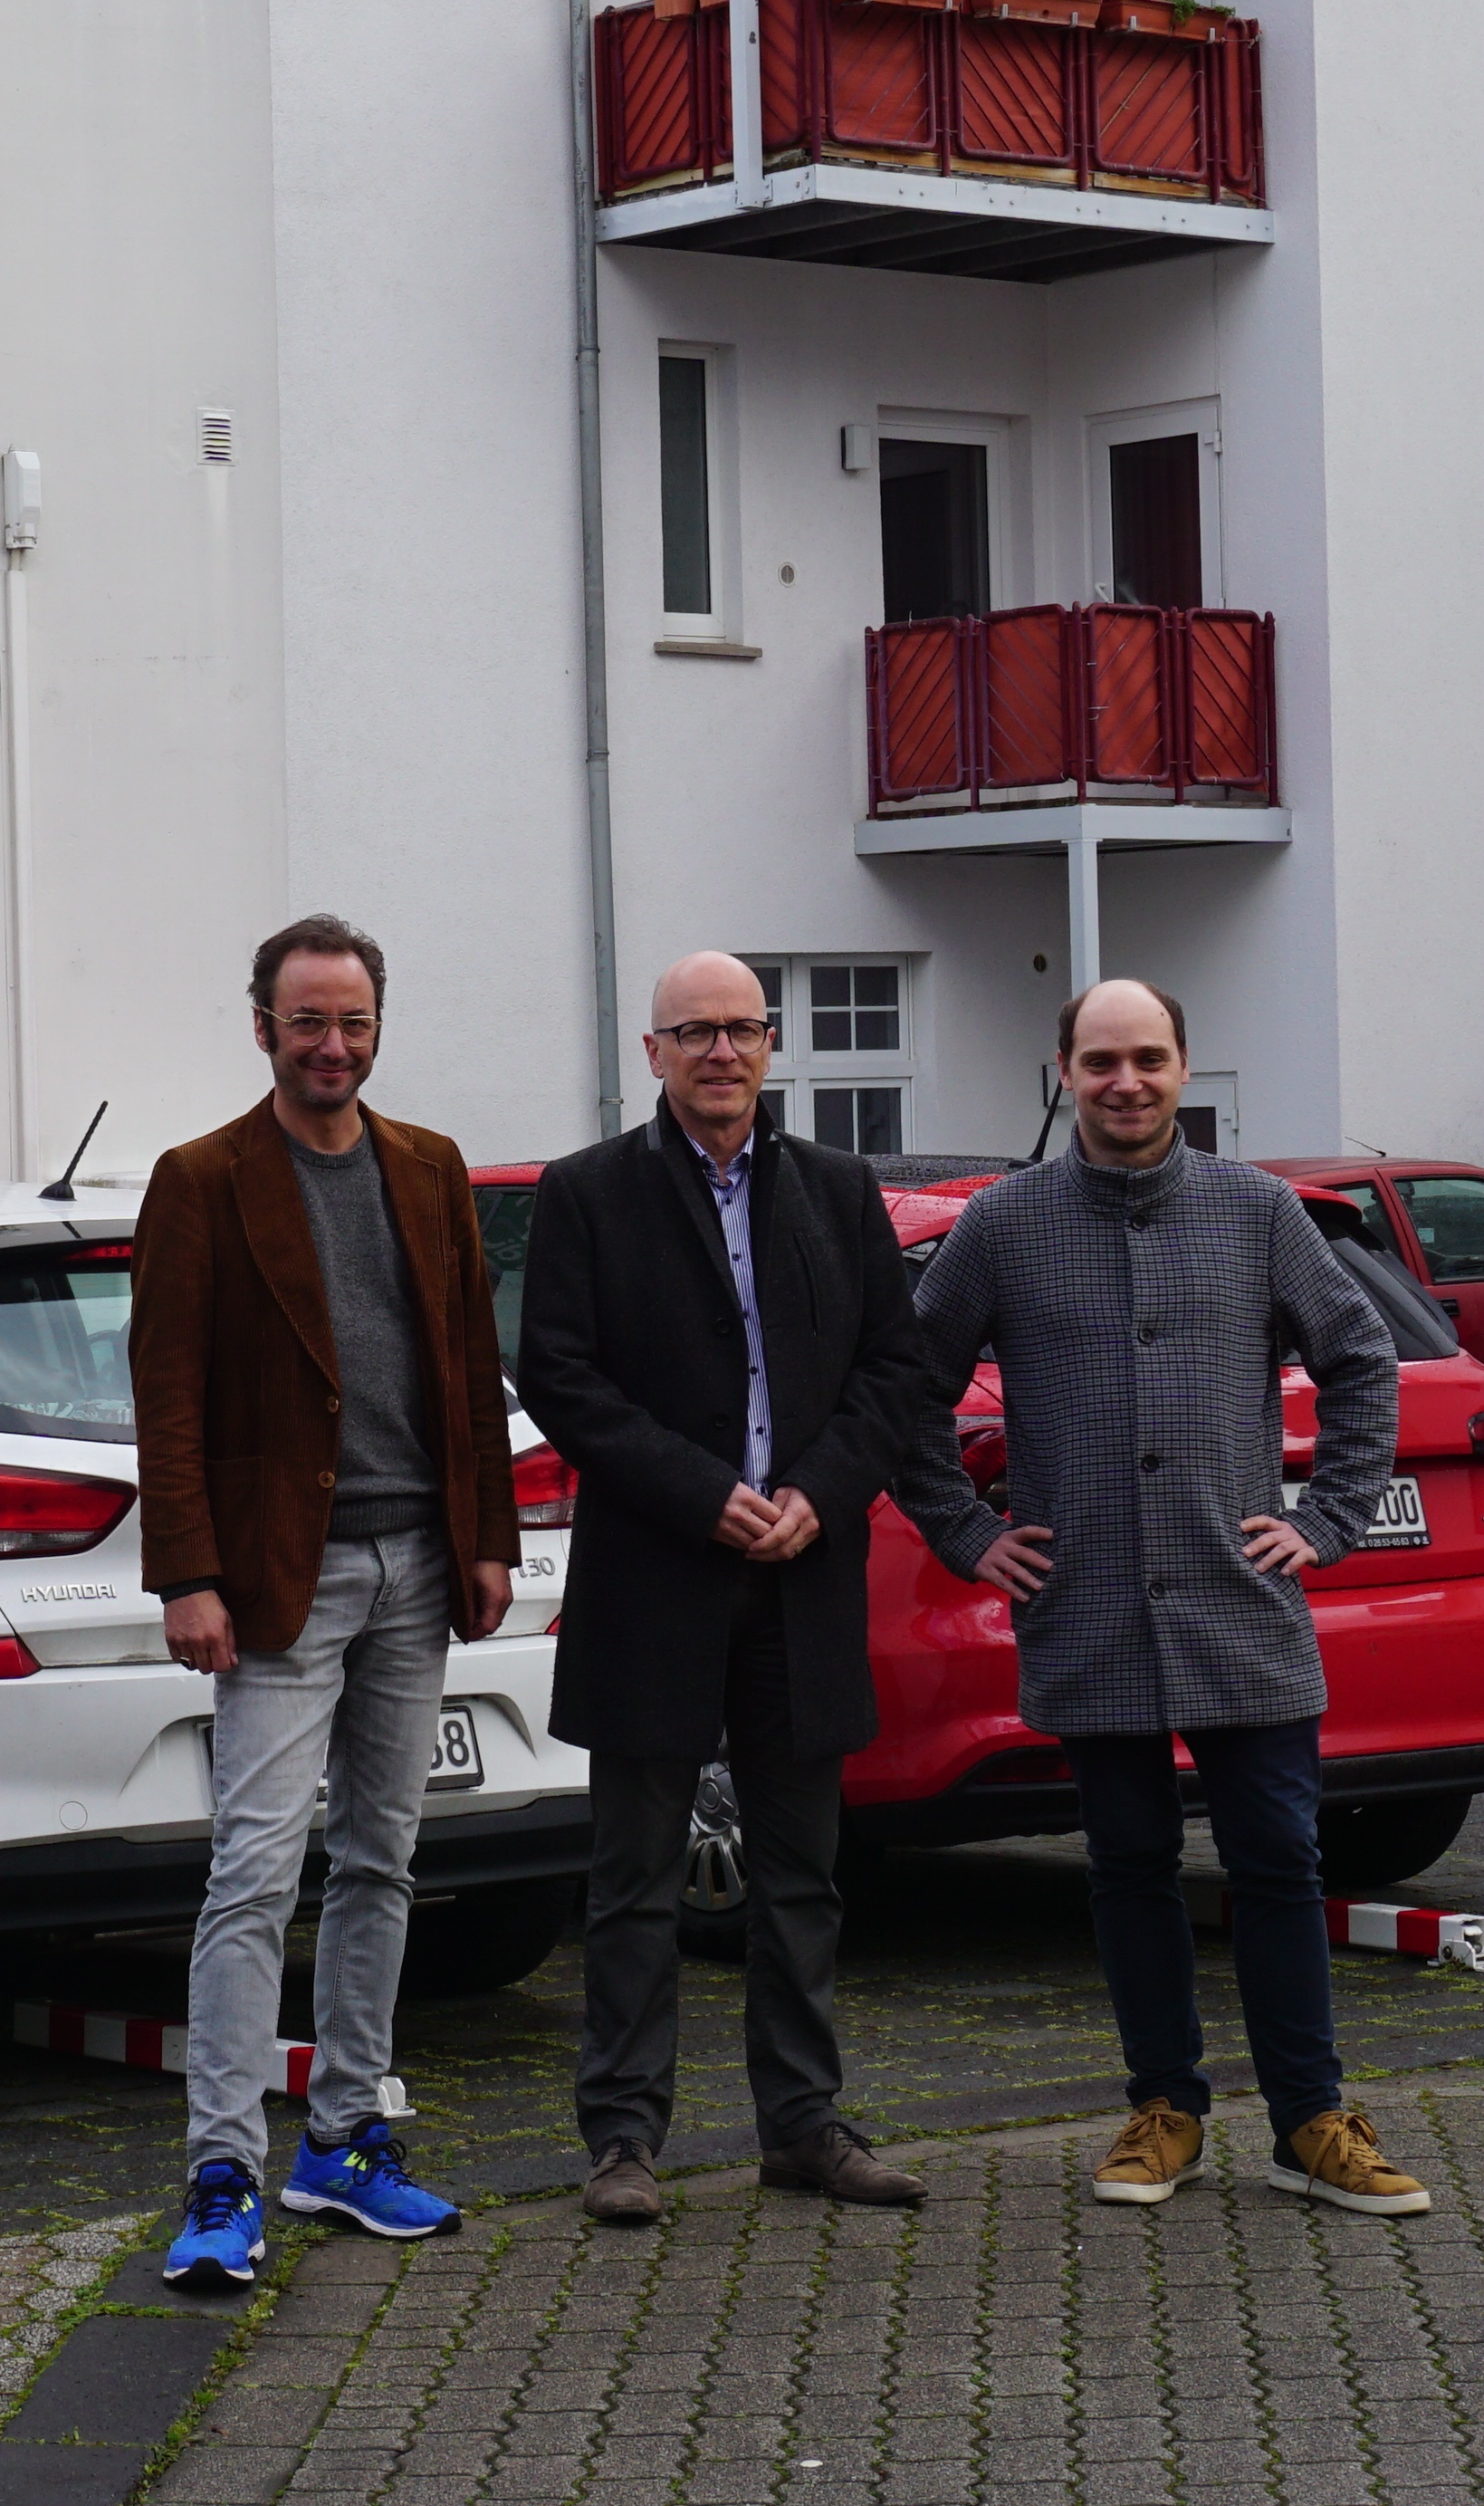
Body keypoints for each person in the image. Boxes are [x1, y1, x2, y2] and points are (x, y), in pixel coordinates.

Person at [904, 977, 1433, 2217]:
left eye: (1147, 1058)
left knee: (1278, 1861)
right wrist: (968, 1533)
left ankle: (1310, 2122)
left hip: (1237, 1601)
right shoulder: (1004, 1227)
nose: (1125, 1082)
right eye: (1101, 1061)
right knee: (1129, 1864)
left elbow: (1361, 1360)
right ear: (1063, 1071)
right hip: (1087, 1605)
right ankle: (1163, 2110)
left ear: (1183, 1068)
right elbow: (903, 1389)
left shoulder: (1256, 1215)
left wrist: (1329, 1521)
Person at [512, 951, 943, 2223]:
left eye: (742, 1029)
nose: (720, 1052)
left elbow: (894, 1369)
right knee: (635, 1877)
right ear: (652, 1054)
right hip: (658, 1573)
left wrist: (823, 1487)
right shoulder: (590, 1195)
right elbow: (563, 1377)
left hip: (805, 1574)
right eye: (692, 1032)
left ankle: (804, 2127)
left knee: (802, 1875)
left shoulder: (839, 1189)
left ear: (770, 1046)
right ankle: (624, 2141)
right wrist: (701, 1492)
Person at [129, 913, 524, 2290]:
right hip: (277, 1583)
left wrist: (491, 1540)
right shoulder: (201, 1180)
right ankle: (223, 2170)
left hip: (421, 1564)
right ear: (263, 1029)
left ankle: (346, 2141)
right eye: (308, 1022)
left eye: (353, 1022)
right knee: (253, 1873)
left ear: (375, 1026)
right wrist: (186, 1571)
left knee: (383, 1861)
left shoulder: (429, 1169)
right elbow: (166, 1394)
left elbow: (468, 1369)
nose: (333, 1046)